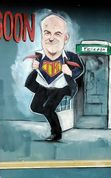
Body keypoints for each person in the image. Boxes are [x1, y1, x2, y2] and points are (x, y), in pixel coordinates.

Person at [24, 13, 84, 141]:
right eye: (47, 33)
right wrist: (35, 68)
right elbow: (36, 76)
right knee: (35, 107)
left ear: (65, 38)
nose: (51, 38)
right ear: (42, 36)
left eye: (57, 34)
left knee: (48, 108)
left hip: (62, 87)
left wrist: (70, 72)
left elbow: (80, 68)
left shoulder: (71, 56)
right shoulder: (39, 56)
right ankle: (51, 113)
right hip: (45, 86)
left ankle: (56, 133)